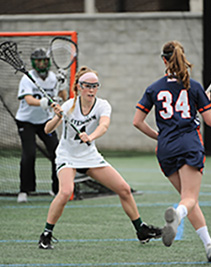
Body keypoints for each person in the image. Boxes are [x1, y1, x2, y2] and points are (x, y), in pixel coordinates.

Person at [37, 66, 162, 249]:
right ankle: (46, 234)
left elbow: (104, 125)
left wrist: (91, 137)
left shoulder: (103, 105)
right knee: (65, 192)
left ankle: (140, 229)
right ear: (79, 87)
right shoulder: (68, 106)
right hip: (67, 156)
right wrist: (57, 117)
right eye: (87, 86)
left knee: (124, 189)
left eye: (95, 86)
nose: (91, 90)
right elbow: (47, 130)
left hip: (89, 156)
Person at [133, 40, 211, 262]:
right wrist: (207, 103)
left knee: (188, 199)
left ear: (164, 60)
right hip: (189, 144)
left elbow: (137, 121)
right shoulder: (195, 86)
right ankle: (178, 216)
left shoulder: (153, 88)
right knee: (188, 200)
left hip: (165, 149)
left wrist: (159, 136)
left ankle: (210, 246)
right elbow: (210, 121)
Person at [15, 47, 68, 203]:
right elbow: (29, 100)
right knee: (29, 154)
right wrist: (43, 102)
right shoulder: (28, 78)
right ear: (34, 62)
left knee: (57, 152)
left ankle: (57, 189)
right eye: (39, 60)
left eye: (44, 60)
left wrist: (63, 86)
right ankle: (25, 190)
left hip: (46, 121)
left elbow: (62, 98)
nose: (42, 63)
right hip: (26, 121)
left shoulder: (53, 78)